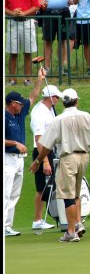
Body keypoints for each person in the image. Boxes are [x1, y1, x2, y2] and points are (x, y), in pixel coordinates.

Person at [29, 88, 90, 243]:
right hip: (84, 157)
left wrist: (37, 161)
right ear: (77, 101)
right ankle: (77, 224)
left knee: (67, 196)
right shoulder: (86, 116)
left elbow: (46, 146)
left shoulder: (58, 120)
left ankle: (71, 232)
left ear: (63, 102)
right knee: (76, 193)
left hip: (68, 158)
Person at [4, 67, 45, 236]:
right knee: (5, 194)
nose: (22, 104)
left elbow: (33, 97)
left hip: (19, 160)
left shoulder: (19, 114)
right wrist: (15, 143)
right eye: (19, 103)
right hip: (7, 158)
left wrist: (39, 80)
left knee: (14, 195)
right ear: (13, 104)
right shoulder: (4, 116)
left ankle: (7, 226)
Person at [30, 0, 78, 76]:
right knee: (48, 41)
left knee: (62, 41)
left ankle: (61, 68)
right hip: (49, 13)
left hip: (64, 12)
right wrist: (39, 1)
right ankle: (46, 68)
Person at [30, 84, 63, 231]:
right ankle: (37, 220)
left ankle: (50, 217)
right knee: (41, 188)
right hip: (41, 152)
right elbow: (39, 139)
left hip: (50, 150)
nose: (58, 99)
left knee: (48, 186)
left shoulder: (49, 109)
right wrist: (45, 162)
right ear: (51, 97)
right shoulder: (40, 113)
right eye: (56, 97)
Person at [5, 0, 40, 86]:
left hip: (27, 22)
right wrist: (12, 12)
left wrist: (24, 13)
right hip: (13, 23)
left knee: (28, 52)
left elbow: (36, 6)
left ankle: (28, 79)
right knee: (12, 52)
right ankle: (12, 79)